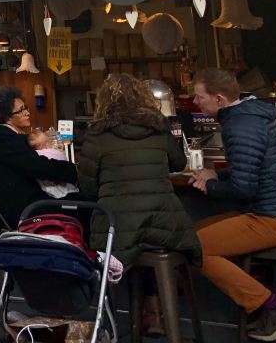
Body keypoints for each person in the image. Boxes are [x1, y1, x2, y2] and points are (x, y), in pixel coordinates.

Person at [189, 68, 276, 342]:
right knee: (195, 232)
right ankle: (260, 287)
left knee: (194, 247)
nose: (195, 103)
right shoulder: (248, 116)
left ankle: (273, 306)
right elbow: (252, 169)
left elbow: (244, 189)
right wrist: (215, 174)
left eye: (199, 97)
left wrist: (210, 186)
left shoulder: (239, 125)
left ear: (219, 99)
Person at [76, 74, 200, 335]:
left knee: (129, 244)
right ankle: (155, 311)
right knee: (147, 242)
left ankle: (124, 322)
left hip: (118, 229)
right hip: (166, 225)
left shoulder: (96, 135)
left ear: (103, 101)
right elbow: (179, 163)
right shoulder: (158, 127)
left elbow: (87, 188)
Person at [0, 86, 77, 229]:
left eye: (25, 108)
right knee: (87, 207)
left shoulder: (9, 137)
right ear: (7, 117)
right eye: (21, 110)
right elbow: (39, 167)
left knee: (80, 202)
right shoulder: (4, 140)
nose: (27, 113)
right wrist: (73, 170)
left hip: (30, 204)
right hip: (25, 211)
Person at [29, 131, 79, 200]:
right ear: (46, 143)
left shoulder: (34, 155)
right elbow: (64, 160)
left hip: (48, 185)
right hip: (64, 179)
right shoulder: (55, 152)